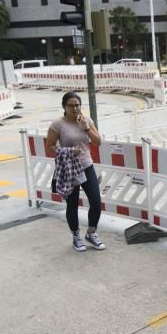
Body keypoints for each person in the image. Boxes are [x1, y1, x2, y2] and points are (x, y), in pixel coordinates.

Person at [45, 92, 105, 252]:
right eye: (71, 105)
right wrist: (69, 151)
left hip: (87, 166)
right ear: (64, 106)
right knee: (72, 205)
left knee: (96, 202)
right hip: (69, 169)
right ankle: (76, 237)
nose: (75, 108)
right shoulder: (58, 124)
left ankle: (91, 233)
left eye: (77, 105)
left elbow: (98, 142)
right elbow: (49, 147)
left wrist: (87, 128)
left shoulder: (87, 121)